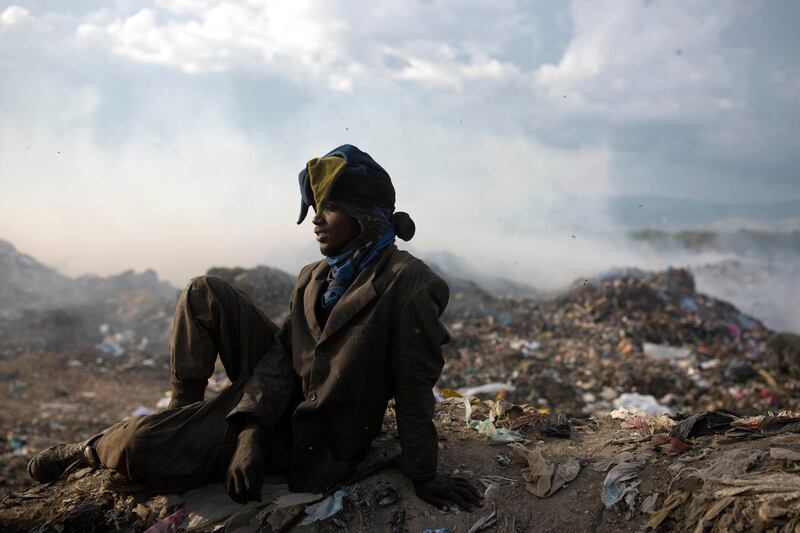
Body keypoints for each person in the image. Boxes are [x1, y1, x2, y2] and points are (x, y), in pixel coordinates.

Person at [27, 144, 482, 512]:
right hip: (278, 402)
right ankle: (182, 411)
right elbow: (282, 359)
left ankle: (84, 449)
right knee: (204, 290)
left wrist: (424, 473)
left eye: (330, 208)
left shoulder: (410, 284)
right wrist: (249, 432)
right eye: (316, 208)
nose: (317, 221)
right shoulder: (313, 277)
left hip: (313, 436)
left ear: (368, 216)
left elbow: (414, 385)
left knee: (138, 445)